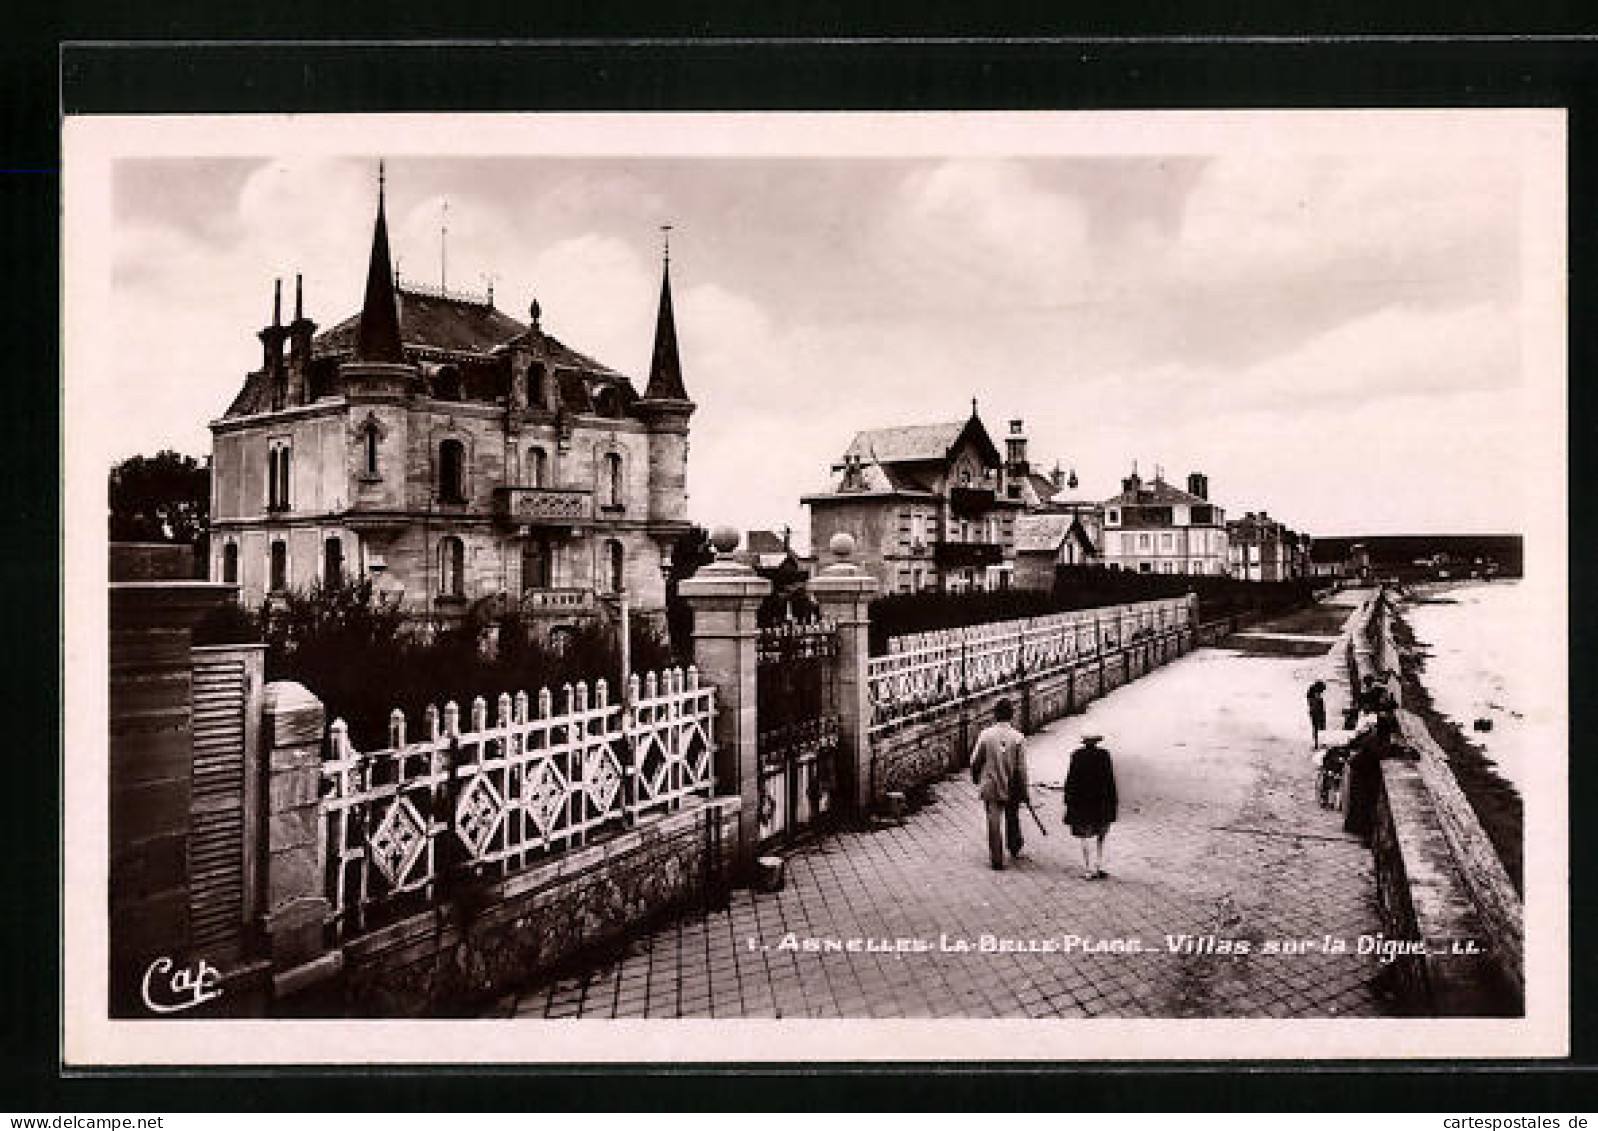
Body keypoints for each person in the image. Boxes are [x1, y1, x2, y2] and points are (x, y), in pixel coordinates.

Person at [970, 698, 1029, 871]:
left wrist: (976, 777)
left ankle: (997, 859)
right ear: (1012, 715)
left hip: (991, 785)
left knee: (993, 821)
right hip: (1012, 785)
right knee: (1012, 816)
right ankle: (1014, 847)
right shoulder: (1018, 738)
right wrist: (1024, 791)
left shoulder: (985, 735)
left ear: (995, 715)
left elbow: (975, 761)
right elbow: (1021, 769)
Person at [1063, 734, 1119, 880]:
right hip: (1100, 801)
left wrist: (1068, 800)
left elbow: (1071, 779)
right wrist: (1113, 801)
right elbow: (1109, 779)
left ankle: (1087, 870)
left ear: (1084, 741)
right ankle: (1098, 866)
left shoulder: (1077, 755)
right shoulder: (1104, 755)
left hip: (1082, 801)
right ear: (1097, 741)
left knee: (1084, 837)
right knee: (1101, 835)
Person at [1306, 680, 1328, 749]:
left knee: (1316, 728)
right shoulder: (1315, 696)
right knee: (1320, 728)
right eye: (1322, 691)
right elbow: (1315, 704)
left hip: (1314, 712)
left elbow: (1311, 704)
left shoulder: (1311, 694)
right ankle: (1321, 743)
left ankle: (1318, 743)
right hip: (1317, 712)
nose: (1322, 692)